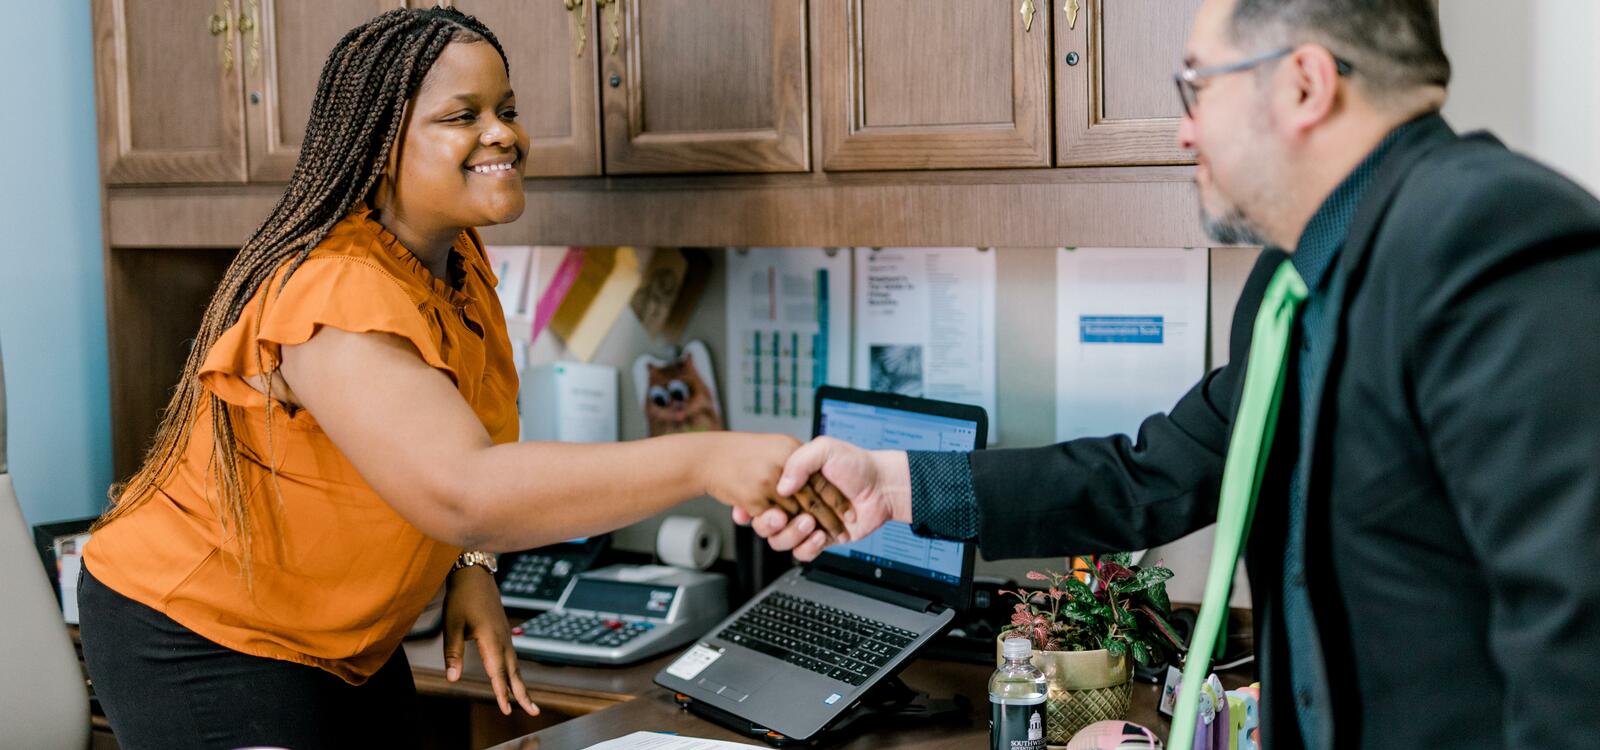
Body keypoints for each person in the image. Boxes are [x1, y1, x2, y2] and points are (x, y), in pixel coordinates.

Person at [749, 1, 1600, 748]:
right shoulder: (1289, 284)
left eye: (1199, 88)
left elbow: (1578, 637)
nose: (1185, 129)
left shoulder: (1493, 235)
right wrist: (896, 485)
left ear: (1305, 83)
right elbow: (1152, 476)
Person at [78, 8, 845, 749]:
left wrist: (471, 567)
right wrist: (706, 458)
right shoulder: (332, 293)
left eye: (506, 108)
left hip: (338, 638)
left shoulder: (456, 260)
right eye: (463, 115)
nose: (504, 133)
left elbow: (472, 436)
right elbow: (465, 491)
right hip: (195, 631)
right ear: (382, 144)